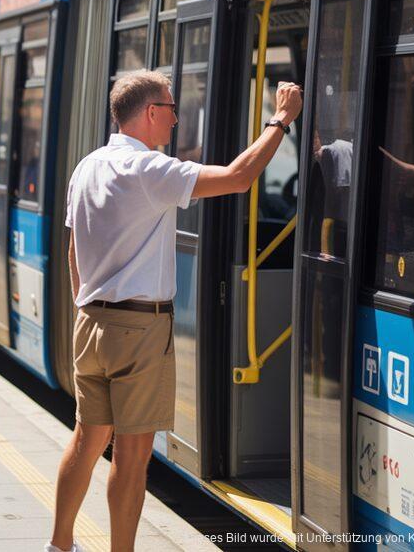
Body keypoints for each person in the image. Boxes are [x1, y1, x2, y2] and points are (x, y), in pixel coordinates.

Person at [47, 70, 302, 552]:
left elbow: (73, 247)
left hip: (91, 322)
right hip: (139, 328)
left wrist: (84, 304)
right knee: (132, 455)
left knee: (86, 441)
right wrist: (281, 119)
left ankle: (59, 544)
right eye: (169, 108)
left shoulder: (88, 166)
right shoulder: (150, 170)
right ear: (149, 113)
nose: (176, 118)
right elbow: (239, 178)